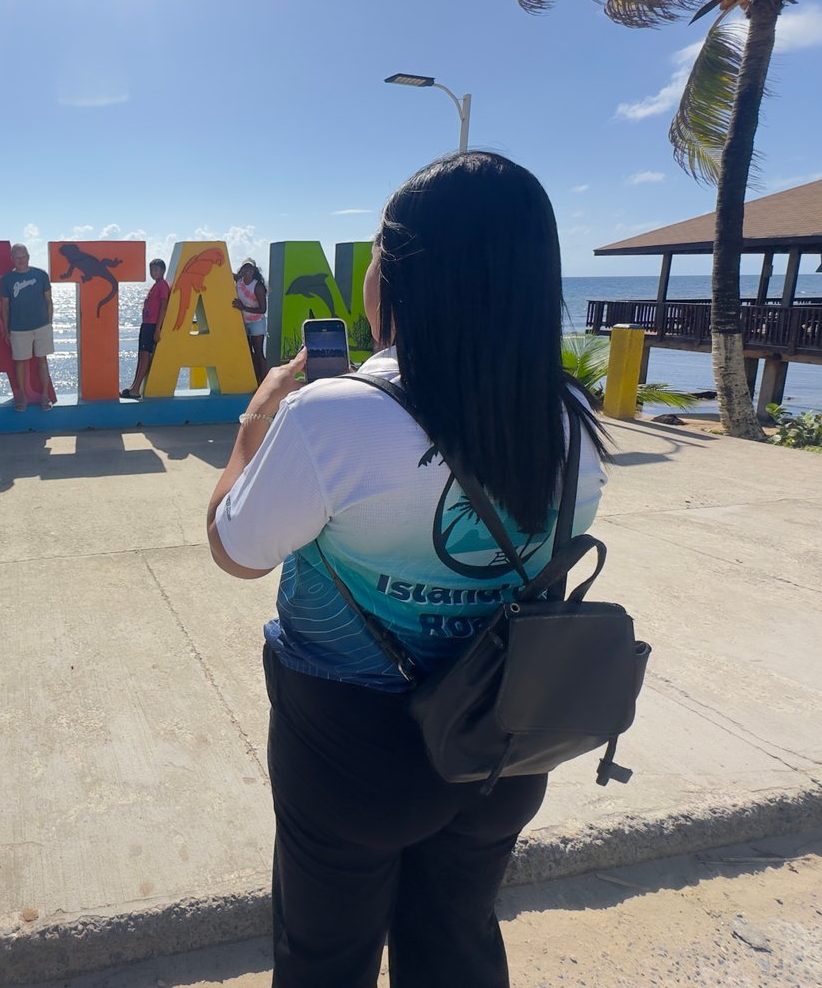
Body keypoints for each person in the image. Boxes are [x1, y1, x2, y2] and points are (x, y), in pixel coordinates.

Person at [205, 152, 607, 988]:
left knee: (326, 960)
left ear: (390, 276)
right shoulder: (574, 420)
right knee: (457, 943)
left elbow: (234, 550)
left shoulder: (337, 412)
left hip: (352, 749)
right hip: (503, 740)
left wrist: (253, 426)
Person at [0, 243, 55, 412]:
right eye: (17, 257)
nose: (21, 260)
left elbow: (48, 301)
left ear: (28, 257)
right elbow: (5, 306)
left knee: (42, 361)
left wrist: (49, 323)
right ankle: (22, 396)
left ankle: (45, 395)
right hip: (18, 328)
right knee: (20, 362)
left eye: (23, 257)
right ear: (12, 259)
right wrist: (6, 329)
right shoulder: (7, 280)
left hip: (41, 326)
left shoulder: (41, 275)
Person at [121, 257, 170, 400]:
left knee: (145, 357)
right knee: (141, 356)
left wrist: (157, 329)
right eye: (151, 269)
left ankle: (136, 389)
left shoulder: (163, 286)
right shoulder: (155, 286)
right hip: (146, 324)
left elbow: (163, 307)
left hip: (152, 325)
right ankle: (133, 387)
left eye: (156, 269)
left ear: (162, 270)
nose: (153, 272)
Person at [234, 258, 268, 384]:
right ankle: (254, 378)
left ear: (254, 270)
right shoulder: (239, 281)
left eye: (250, 268)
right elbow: (225, 272)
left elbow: (263, 309)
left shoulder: (257, 286)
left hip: (256, 323)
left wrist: (244, 308)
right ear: (241, 270)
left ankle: (263, 381)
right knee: (247, 352)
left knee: (258, 352)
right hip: (243, 322)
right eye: (245, 267)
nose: (247, 270)